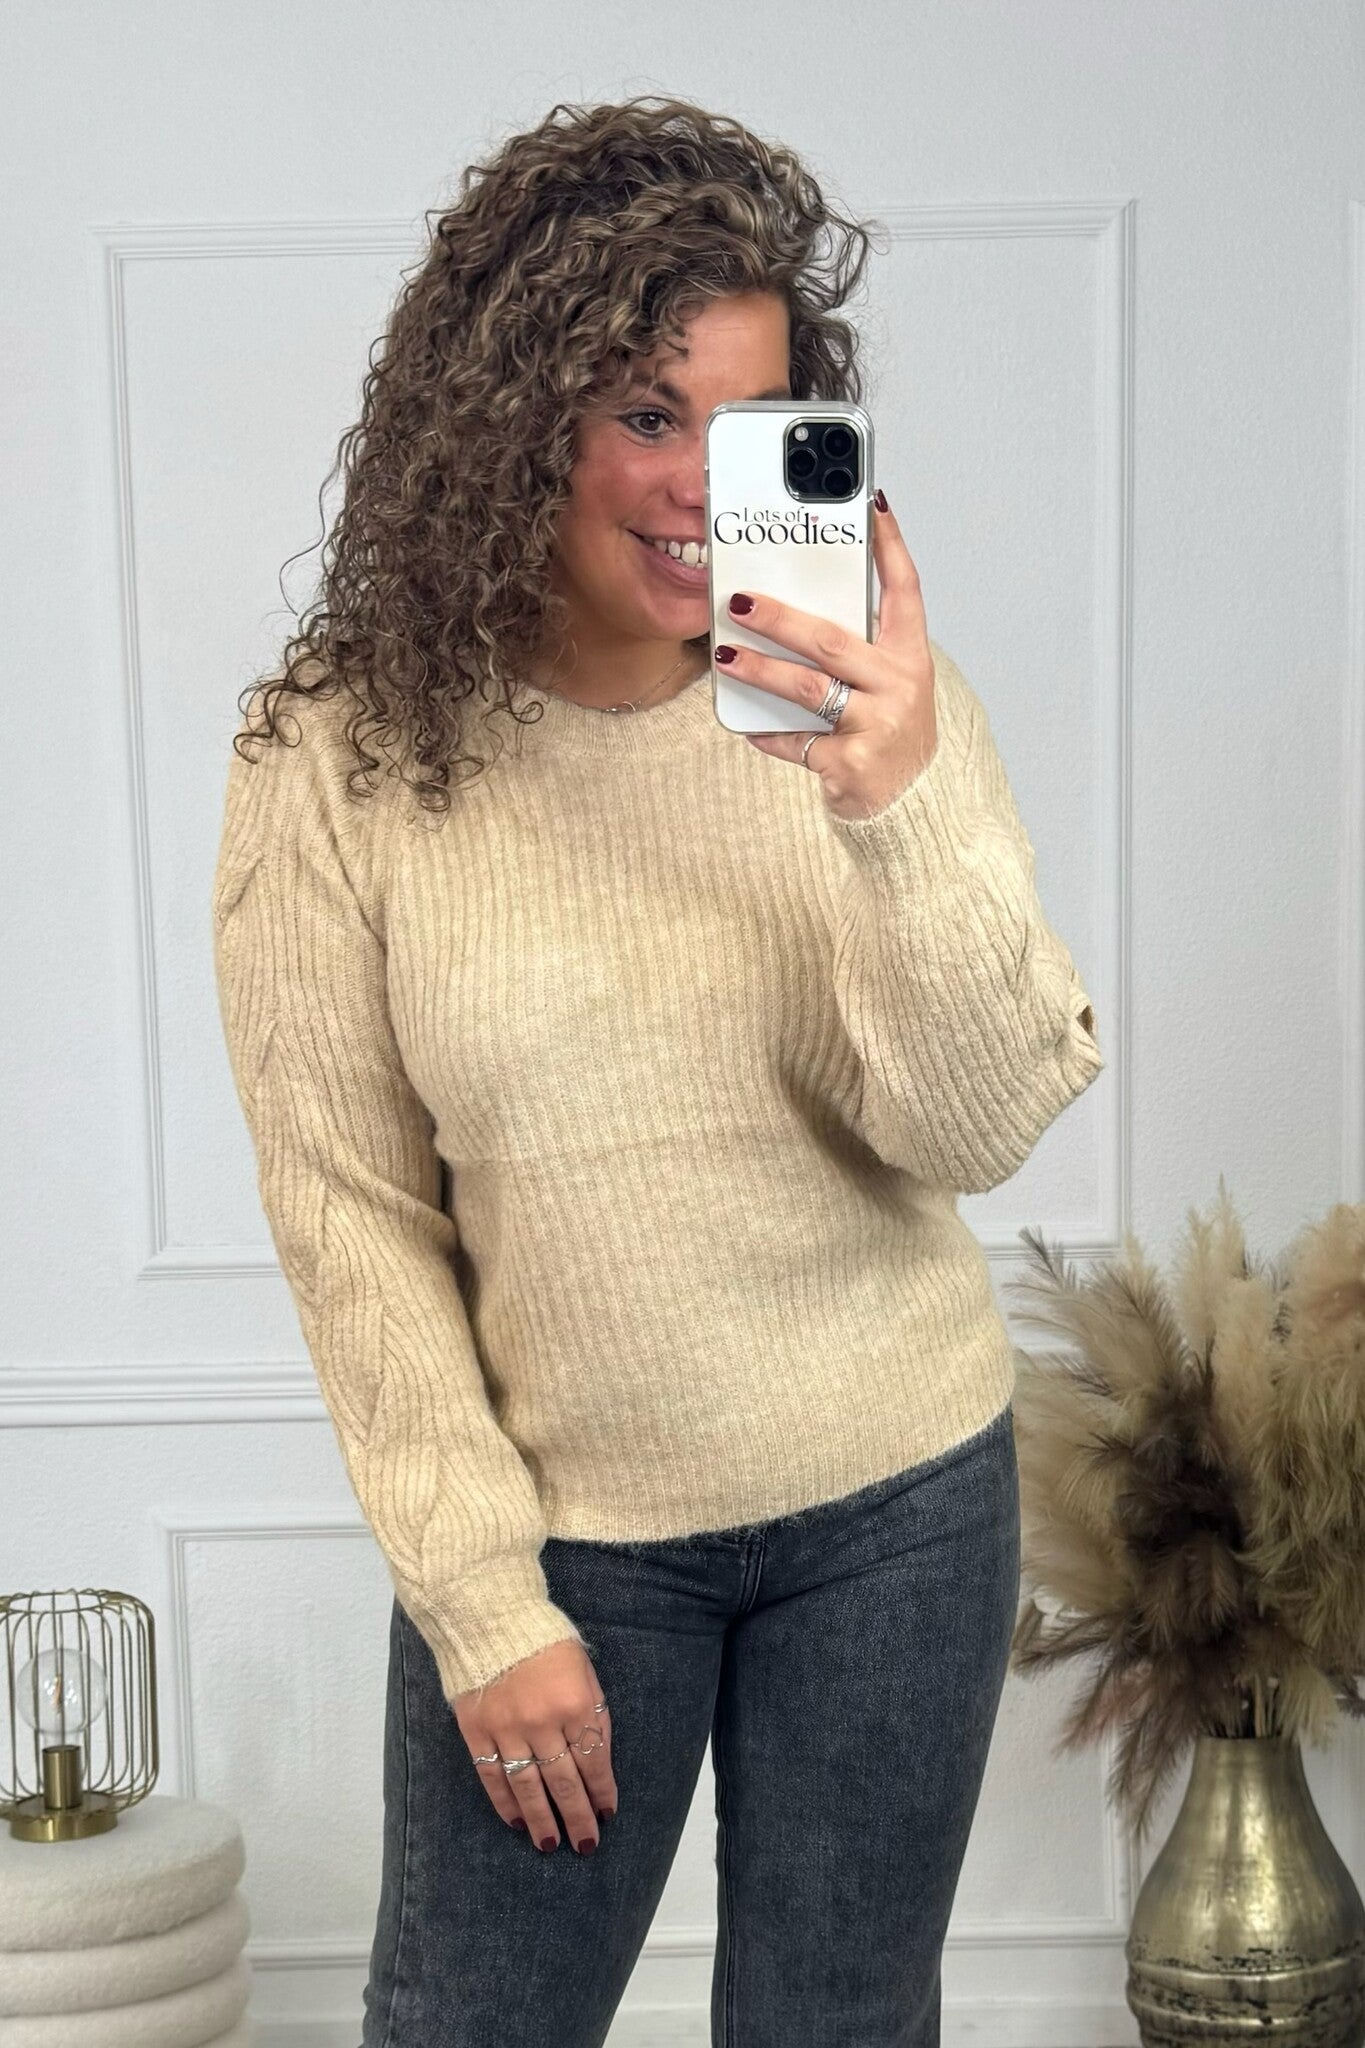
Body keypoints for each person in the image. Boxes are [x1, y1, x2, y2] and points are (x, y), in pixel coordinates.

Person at [211, 94, 1103, 2048]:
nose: (702, 485)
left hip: (898, 1505)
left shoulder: (868, 705)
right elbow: (348, 1215)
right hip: (568, 1546)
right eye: (642, 411)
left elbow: (971, 1127)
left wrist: (893, 802)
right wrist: (480, 1601)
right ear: (506, 417)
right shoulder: (336, 754)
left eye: (752, 422)